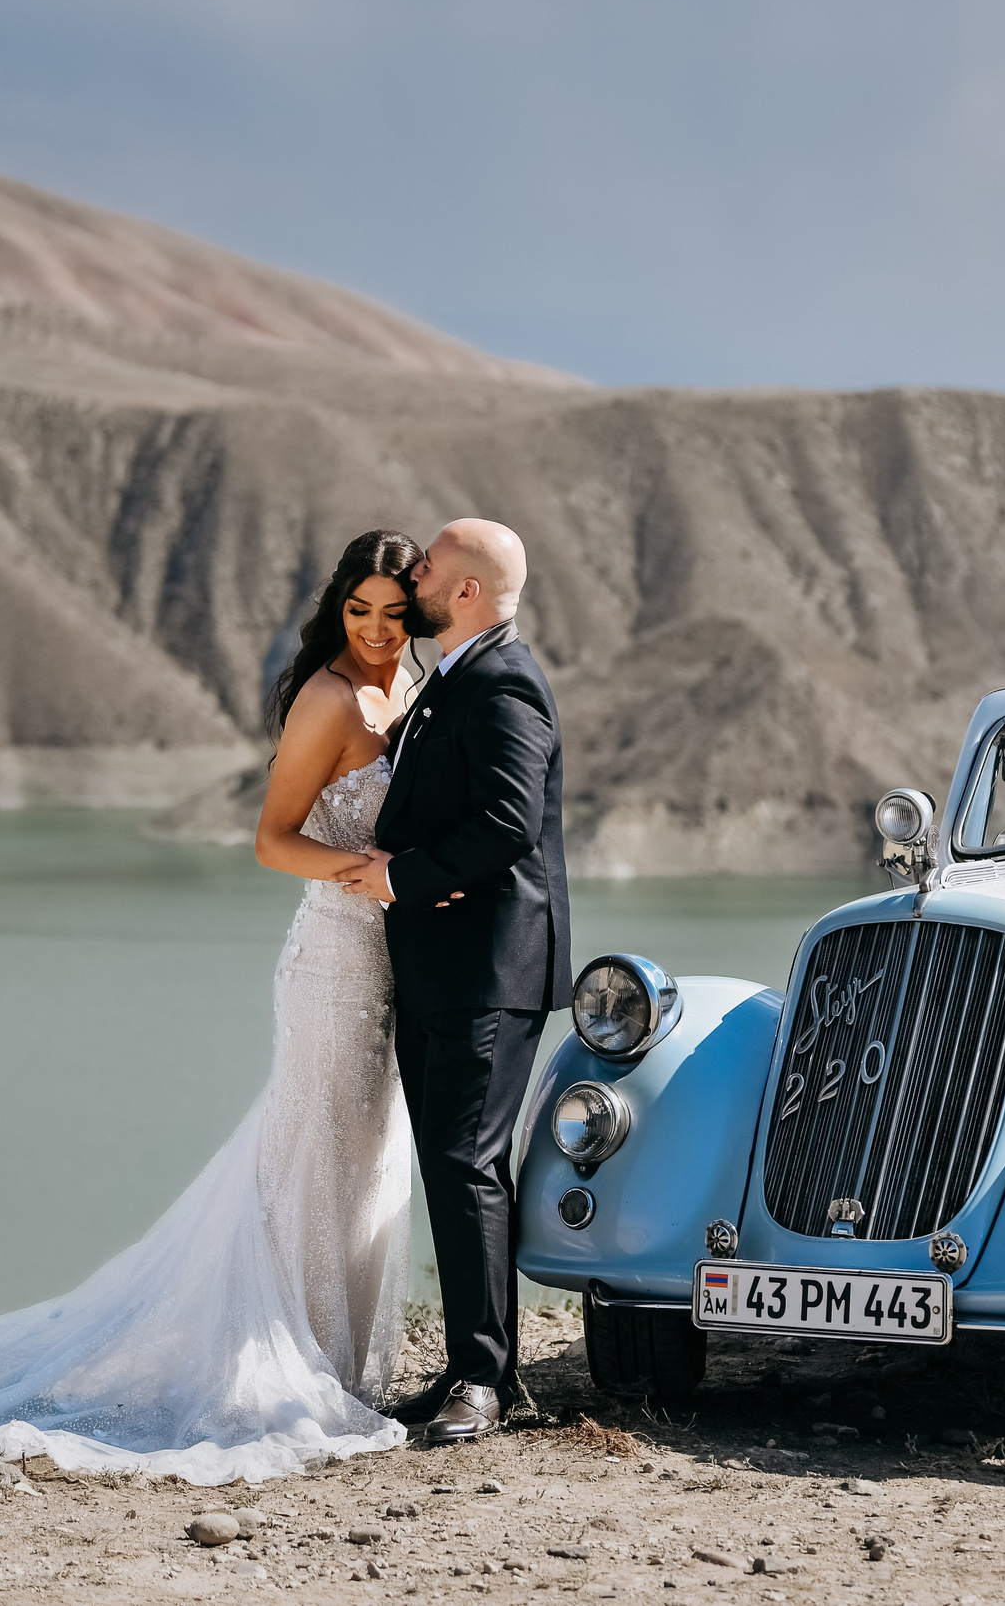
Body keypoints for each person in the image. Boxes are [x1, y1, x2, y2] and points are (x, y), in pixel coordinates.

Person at [0, 530, 428, 1485]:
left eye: (393, 613)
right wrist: (368, 872)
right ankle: (283, 1364)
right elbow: (270, 841)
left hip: (397, 963)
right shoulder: (327, 698)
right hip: (334, 963)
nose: (377, 630)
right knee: (311, 1156)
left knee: (367, 1161)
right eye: (359, 611)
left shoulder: (414, 690)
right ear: (335, 609)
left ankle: (335, 1364)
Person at [344, 518, 572, 1445]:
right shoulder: (456, 677)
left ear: (467, 592)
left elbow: (510, 824)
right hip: (443, 964)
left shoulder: (505, 678)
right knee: (452, 1163)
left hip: (489, 966)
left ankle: (483, 1382)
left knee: (466, 1162)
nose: (417, 575)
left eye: (431, 566)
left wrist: (399, 875)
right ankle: (472, 1367)